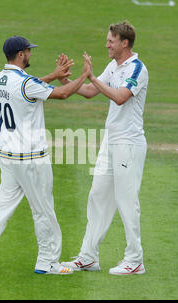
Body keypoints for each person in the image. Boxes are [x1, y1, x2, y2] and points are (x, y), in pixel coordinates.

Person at [0, 36, 92, 275]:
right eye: (28, 51)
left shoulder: (0, 79)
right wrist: (84, 75)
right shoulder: (24, 83)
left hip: (7, 156)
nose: (31, 54)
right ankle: (48, 262)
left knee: (0, 207)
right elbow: (61, 94)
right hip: (30, 158)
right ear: (21, 54)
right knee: (43, 209)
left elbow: (29, 87)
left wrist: (52, 75)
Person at [61, 21, 149, 275]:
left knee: (126, 200)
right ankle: (88, 256)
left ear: (125, 43)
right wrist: (72, 80)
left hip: (128, 144)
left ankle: (135, 260)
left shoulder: (137, 69)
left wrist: (91, 77)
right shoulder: (114, 65)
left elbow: (120, 97)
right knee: (97, 196)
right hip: (110, 142)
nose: (107, 44)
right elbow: (90, 91)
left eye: (111, 40)